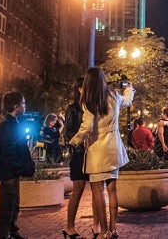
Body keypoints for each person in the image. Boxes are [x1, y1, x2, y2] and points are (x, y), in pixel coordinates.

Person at [69, 68, 134, 239]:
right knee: (113, 190)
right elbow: (127, 100)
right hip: (114, 147)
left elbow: (87, 127)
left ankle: (103, 230)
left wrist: (75, 140)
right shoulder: (113, 96)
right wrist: (129, 88)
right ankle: (113, 229)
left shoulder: (89, 101)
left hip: (98, 150)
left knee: (98, 191)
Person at [0, 91, 35, 239]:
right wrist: (20, 166)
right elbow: (8, 151)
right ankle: (4, 234)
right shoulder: (9, 126)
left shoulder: (12, 124)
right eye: (23, 104)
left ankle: (12, 230)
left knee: (13, 202)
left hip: (12, 171)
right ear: (16, 107)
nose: (25, 106)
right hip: (9, 172)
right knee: (7, 204)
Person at [63, 76, 100, 239]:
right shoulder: (72, 109)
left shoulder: (95, 107)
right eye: (87, 87)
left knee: (96, 189)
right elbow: (69, 132)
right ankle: (70, 226)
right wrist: (80, 141)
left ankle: (96, 225)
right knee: (77, 189)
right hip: (79, 154)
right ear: (79, 89)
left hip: (95, 152)